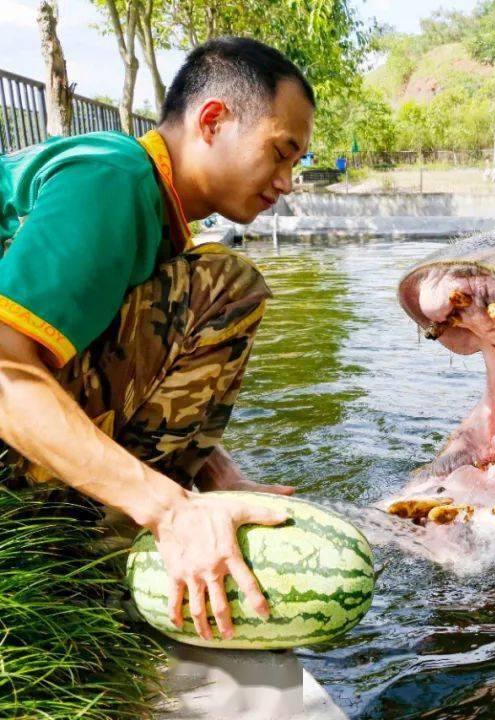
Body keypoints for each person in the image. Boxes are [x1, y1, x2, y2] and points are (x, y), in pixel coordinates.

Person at [0, 37, 314, 642]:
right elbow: (6, 375)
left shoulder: (154, 212)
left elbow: (125, 357)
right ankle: (85, 556)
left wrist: (215, 473)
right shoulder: (111, 178)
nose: (288, 181)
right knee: (227, 286)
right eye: (281, 152)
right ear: (214, 120)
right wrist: (170, 510)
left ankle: (84, 538)